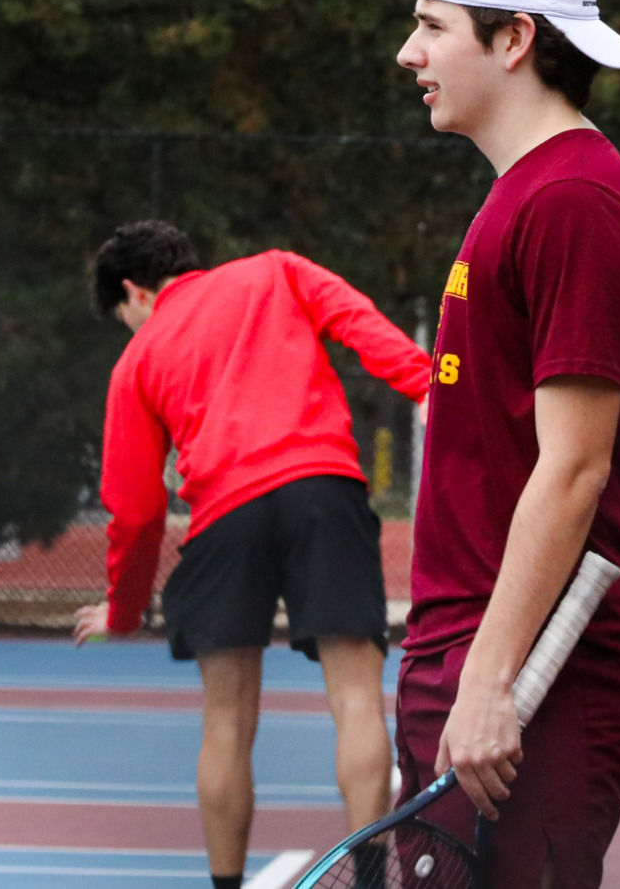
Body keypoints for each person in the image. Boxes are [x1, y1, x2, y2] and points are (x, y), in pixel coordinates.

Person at [393, 0, 620, 889]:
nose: (410, 53)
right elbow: (617, 455)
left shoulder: (570, 200)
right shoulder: (531, 194)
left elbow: (577, 468)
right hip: (506, 657)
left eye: (434, 26)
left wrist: (493, 679)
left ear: (515, 37)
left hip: (518, 672)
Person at [73, 221, 433, 889]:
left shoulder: (137, 360)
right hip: (323, 487)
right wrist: (428, 387)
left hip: (224, 516)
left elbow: (137, 510)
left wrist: (123, 610)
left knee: (227, 721)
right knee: (356, 699)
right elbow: (362, 325)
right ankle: (376, 881)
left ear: (133, 291)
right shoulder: (277, 269)